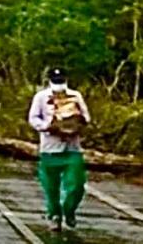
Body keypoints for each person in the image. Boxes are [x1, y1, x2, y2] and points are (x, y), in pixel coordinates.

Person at [28, 68, 91, 232]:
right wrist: (46, 127)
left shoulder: (75, 96)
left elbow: (87, 117)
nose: (59, 84)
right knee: (51, 187)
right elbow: (33, 118)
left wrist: (78, 123)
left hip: (72, 148)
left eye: (61, 81)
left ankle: (69, 210)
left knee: (77, 185)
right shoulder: (41, 97)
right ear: (49, 81)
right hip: (50, 148)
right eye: (56, 81)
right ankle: (54, 215)